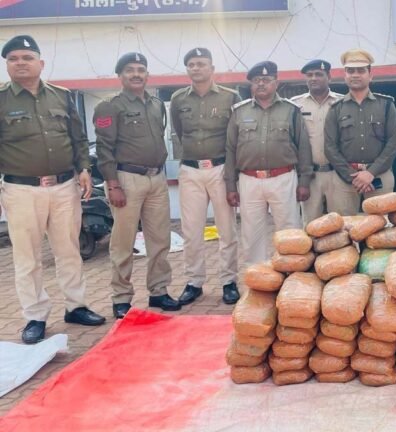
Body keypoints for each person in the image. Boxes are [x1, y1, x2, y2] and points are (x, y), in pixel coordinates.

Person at [0, 35, 105, 343]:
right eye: (13, 59)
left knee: (68, 249)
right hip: (21, 190)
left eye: (27, 57)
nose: (20, 63)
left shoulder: (62, 96)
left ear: (41, 63)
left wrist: (84, 168)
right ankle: (35, 316)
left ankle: (76, 306)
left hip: (63, 187)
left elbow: (78, 138)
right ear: (7, 65)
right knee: (28, 257)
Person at [94, 52, 179, 319]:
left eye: (141, 69)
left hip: (157, 178)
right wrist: (113, 184)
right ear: (120, 76)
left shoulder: (156, 104)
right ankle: (121, 297)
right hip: (126, 179)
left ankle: (159, 290)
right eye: (130, 70)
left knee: (160, 239)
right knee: (123, 242)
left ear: (147, 74)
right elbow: (104, 148)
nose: (136, 74)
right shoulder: (110, 106)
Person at [170, 47, 241, 305]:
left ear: (212, 68)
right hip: (191, 170)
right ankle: (194, 282)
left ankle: (229, 281)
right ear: (187, 69)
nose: (196, 68)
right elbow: (179, 132)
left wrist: (232, 175)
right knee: (191, 230)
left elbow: (235, 136)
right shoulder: (178, 99)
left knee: (226, 229)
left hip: (220, 169)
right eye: (191, 64)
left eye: (201, 63)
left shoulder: (230, 97)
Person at [225, 61, 312, 265]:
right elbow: (230, 149)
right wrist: (231, 185)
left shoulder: (291, 110)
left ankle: (291, 274)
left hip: (283, 178)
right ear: (251, 85)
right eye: (256, 80)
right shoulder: (239, 111)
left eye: (266, 79)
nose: (261, 84)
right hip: (249, 180)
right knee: (251, 233)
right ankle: (257, 276)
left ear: (276, 83)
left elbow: (303, 147)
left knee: (289, 231)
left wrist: (304, 181)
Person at [324, 49, 396, 215]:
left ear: (370, 75)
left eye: (361, 70)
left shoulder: (386, 105)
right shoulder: (336, 109)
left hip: (379, 175)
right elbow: (330, 147)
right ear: (345, 76)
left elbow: (394, 143)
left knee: (381, 225)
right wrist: (353, 176)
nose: (355, 75)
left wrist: (370, 173)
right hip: (345, 177)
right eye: (350, 71)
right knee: (344, 226)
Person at [290, 59, 342, 224]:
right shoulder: (295, 104)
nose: (313, 78)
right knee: (311, 225)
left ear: (329, 77)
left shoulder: (342, 102)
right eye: (309, 75)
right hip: (310, 176)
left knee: (342, 223)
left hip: (338, 174)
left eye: (319, 74)